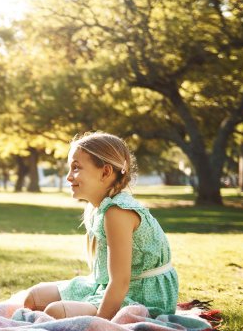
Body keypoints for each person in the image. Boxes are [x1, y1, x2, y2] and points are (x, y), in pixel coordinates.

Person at [19, 132, 178, 319]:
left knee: (54, 312)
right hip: (104, 284)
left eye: (76, 168)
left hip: (141, 294)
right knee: (33, 298)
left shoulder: (117, 212)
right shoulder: (98, 207)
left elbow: (120, 282)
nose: (69, 177)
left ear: (105, 172)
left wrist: (100, 323)